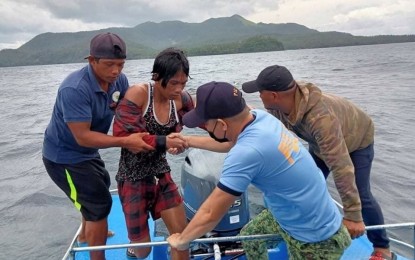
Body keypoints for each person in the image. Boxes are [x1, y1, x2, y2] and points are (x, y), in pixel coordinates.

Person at [167, 81, 351, 259]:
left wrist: (182, 241)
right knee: (250, 236)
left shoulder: (247, 152)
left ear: (222, 124)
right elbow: (231, 143)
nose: (205, 128)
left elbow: (211, 213)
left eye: (206, 124)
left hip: (315, 237)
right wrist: (187, 141)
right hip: (292, 214)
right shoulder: (260, 118)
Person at [242, 65, 395, 260]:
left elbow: (341, 166)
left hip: (357, 141)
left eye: (260, 92)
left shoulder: (320, 119)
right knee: (307, 185)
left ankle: (382, 248)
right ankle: (303, 232)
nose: (259, 96)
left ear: (273, 95)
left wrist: (353, 215)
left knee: (361, 193)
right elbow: (257, 118)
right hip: (321, 145)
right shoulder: (281, 106)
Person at [42, 32, 154, 260]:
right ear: (92, 60)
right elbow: (82, 136)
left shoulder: (119, 81)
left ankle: (86, 234)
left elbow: (130, 111)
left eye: (120, 64)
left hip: (86, 152)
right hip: (64, 157)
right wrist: (125, 141)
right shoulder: (74, 89)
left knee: (102, 183)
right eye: (109, 64)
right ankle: (96, 250)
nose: (116, 71)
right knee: (98, 205)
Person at [112, 47, 193, 260]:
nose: (179, 89)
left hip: (161, 173)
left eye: (183, 83)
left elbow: (205, 111)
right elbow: (127, 139)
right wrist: (165, 141)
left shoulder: (181, 100)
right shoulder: (138, 94)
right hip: (132, 178)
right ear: (157, 77)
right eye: (174, 83)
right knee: (143, 250)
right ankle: (134, 248)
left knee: (183, 240)